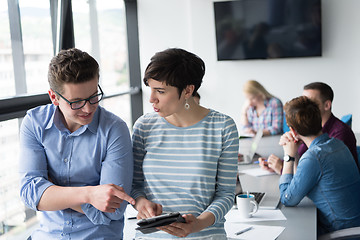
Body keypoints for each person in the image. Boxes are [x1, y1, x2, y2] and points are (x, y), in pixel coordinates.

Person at [19, 48, 135, 239]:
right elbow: (30, 194)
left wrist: (50, 188)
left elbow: (112, 210)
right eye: (76, 102)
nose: (88, 108)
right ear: (54, 97)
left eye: (93, 96)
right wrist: (89, 194)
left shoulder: (115, 129)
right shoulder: (34, 122)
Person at [131, 48, 239, 239]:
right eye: (151, 89)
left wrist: (199, 223)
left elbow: (225, 194)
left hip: (206, 235)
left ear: (188, 90)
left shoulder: (223, 127)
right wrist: (141, 203)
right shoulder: (144, 126)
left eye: (160, 91)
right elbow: (135, 184)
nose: (151, 99)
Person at [278, 96, 360, 235]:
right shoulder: (337, 144)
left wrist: (289, 156)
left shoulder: (314, 157)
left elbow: (288, 198)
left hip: (341, 232)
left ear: (293, 131)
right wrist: (296, 153)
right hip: (353, 224)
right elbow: (300, 183)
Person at [259, 82, 358, 174]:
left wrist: (282, 168)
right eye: (303, 101)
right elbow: (303, 163)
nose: (304, 106)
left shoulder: (340, 134)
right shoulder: (307, 128)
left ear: (327, 105)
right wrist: (279, 163)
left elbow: (318, 175)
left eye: (310, 102)